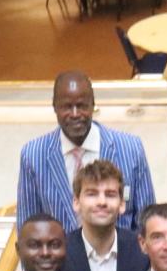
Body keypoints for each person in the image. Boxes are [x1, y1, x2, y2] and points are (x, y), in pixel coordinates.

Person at [17, 70, 156, 231]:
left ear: (93, 105)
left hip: (120, 247)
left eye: (82, 106)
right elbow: (28, 229)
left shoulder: (131, 149)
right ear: (54, 107)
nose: (75, 114)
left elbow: (147, 223)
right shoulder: (33, 155)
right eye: (67, 107)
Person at [61, 159, 150, 271]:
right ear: (76, 203)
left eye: (110, 195)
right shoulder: (61, 253)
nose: (102, 202)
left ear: (122, 204)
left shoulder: (142, 250)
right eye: (92, 194)